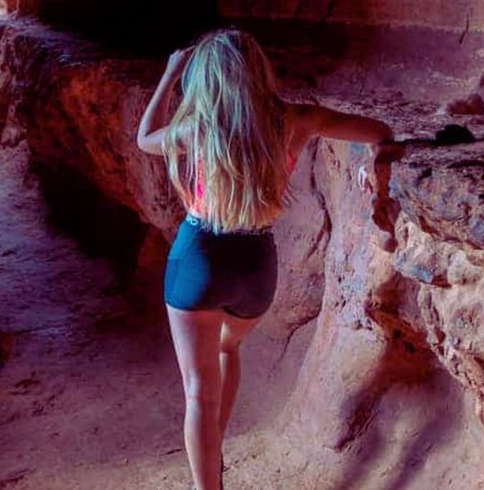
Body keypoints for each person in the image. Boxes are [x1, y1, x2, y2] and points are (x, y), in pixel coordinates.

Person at [135, 27, 403, 490]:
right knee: (229, 347)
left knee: (198, 393)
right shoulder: (295, 120)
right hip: (256, 264)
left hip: (200, 255)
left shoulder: (198, 128)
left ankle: (208, 481)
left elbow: (144, 139)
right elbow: (379, 132)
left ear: (207, 79)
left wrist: (168, 73)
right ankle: (213, 452)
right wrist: (372, 166)